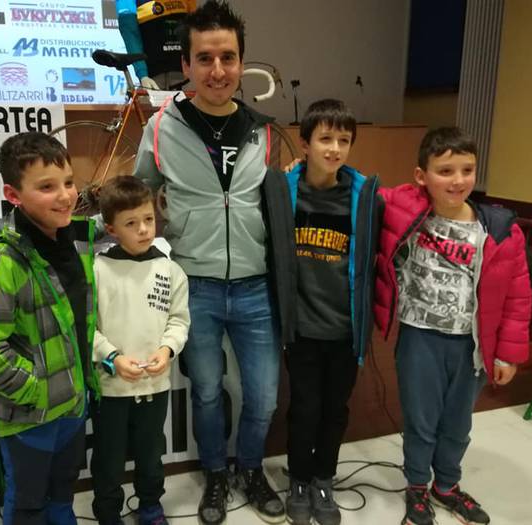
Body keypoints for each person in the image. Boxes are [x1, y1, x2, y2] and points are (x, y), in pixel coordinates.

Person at [133, 1, 297, 523]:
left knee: (263, 396)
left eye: (228, 57)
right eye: (205, 58)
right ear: (186, 65)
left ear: (241, 62)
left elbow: (279, 201)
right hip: (195, 288)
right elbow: (140, 195)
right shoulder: (161, 126)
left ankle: (250, 467)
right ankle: (215, 474)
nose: (218, 70)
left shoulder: (263, 130)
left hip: (256, 288)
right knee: (205, 392)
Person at [374, 127, 532, 525]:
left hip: (471, 345)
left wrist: (508, 354)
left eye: (467, 170)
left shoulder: (499, 229)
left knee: (458, 424)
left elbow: (517, 295)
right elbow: (358, 190)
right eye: (445, 171)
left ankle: (446, 485)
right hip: (420, 339)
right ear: (421, 175)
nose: (458, 180)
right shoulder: (405, 209)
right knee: (421, 422)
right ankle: (416, 487)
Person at [0, 132, 99, 525]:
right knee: (28, 504)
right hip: (29, 418)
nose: (65, 196)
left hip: (72, 405)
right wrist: (36, 391)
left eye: (68, 182)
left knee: (62, 493)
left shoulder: (74, 237)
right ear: (13, 194)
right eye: (47, 187)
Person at [282, 99, 380, 525]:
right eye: (325, 138)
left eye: (343, 140)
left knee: (335, 410)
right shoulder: (284, 190)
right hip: (302, 328)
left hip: (344, 330)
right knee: (304, 407)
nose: (335, 148)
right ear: (305, 144)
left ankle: (324, 479)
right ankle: (299, 479)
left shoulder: (364, 196)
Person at [89, 176, 190, 525]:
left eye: (148, 219)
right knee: (109, 456)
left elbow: (178, 320)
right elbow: (87, 328)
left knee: (151, 452)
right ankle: (108, 512)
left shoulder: (170, 270)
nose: (144, 229)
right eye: (131, 223)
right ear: (111, 229)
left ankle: (150, 505)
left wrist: (168, 349)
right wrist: (112, 357)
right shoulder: (97, 270)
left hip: (153, 384)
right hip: (110, 387)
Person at [116, 0, 197, 89]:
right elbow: (131, 34)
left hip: (188, 74)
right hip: (154, 76)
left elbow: (195, 29)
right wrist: (142, 74)